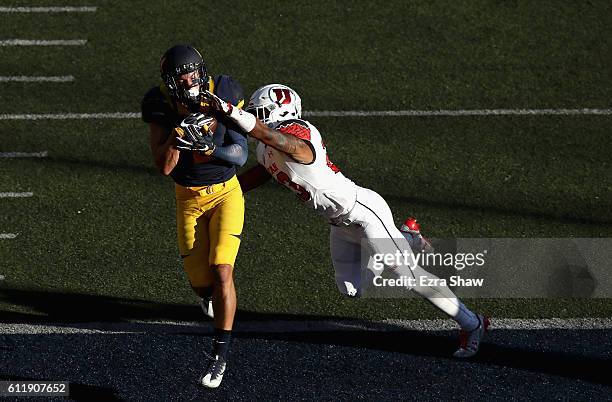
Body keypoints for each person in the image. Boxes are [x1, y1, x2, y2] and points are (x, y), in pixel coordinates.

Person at [205, 84, 490, 358]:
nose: (256, 118)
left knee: (409, 277)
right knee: (351, 289)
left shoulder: (300, 131)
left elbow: (284, 142)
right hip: (339, 225)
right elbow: (263, 170)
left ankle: (472, 323)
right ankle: (406, 237)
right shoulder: (263, 149)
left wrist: (235, 114)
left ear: (281, 110)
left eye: (261, 112)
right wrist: (223, 189)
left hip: (363, 212)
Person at [141, 44, 247, 388]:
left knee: (223, 270)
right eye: (182, 76)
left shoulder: (224, 90)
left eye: (194, 73)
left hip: (226, 192)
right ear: (170, 82)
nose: (191, 80)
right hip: (187, 198)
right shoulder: (159, 103)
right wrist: (179, 132)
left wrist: (209, 148)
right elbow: (164, 167)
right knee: (202, 285)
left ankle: (220, 357)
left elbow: (240, 154)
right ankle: (206, 298)